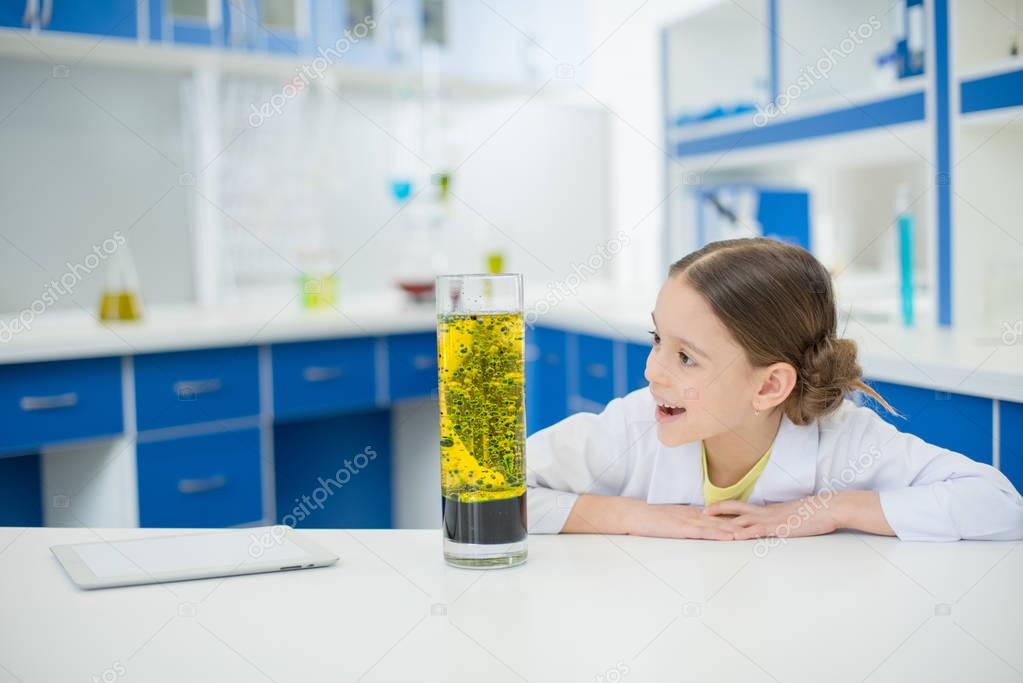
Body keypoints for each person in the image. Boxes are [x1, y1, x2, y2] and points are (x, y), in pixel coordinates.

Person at [526, 238, 1023, 542]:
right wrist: (634, 516)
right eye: (657, 340)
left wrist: (829, 509)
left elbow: (998, 504)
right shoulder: (629, 427)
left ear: (769, 386)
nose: (652, 373)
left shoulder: (846, 441)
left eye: (685, 357)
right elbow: (484, 491)